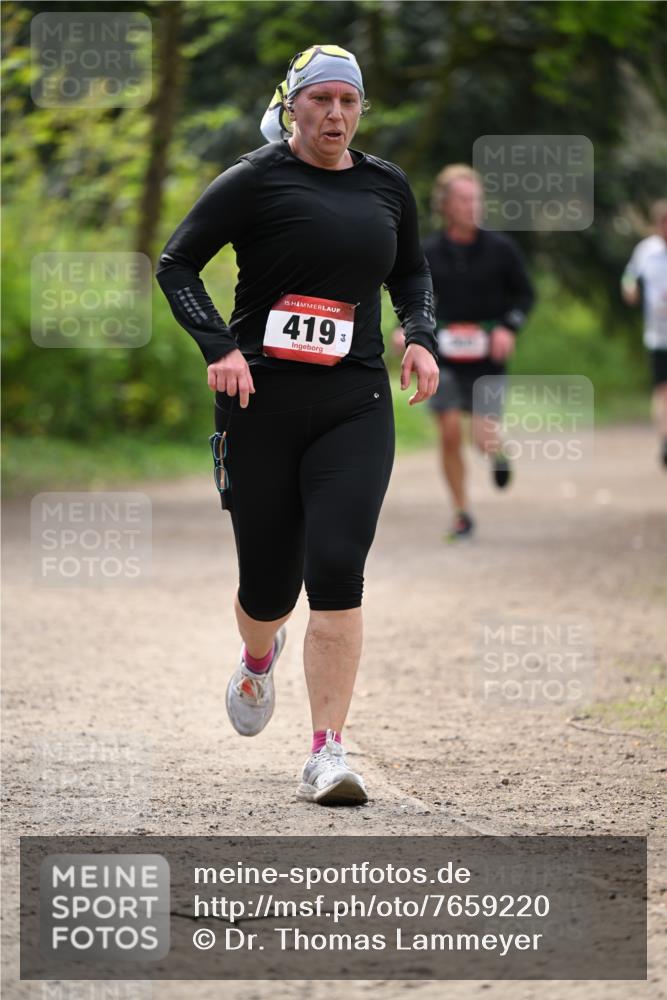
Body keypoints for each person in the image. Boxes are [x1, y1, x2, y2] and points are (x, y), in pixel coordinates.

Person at [156, 44, 439, 806]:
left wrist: (417, 333)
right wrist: (220, 347)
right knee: (268, 585)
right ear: (293, 105)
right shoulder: (254, 179)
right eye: (321, 101)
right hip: (260, 406)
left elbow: (410, 272)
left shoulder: (386, 186)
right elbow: (175, 263)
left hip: (355, 404)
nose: (336, 115)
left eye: (349, 102)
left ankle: (327, 752)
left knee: (337, 568)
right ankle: (257, 658)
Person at [395, 164, 534, 540]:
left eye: (476, 199)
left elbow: (525, 294)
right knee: (450, 431)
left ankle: (498, 452)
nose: (472, 206)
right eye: (464, 199)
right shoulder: (429, 252)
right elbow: (412, 298)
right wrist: (404, 332)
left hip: (488, 356)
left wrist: (509, 326)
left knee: (482, 436)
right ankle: (461, 511)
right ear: (445, 205)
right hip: (444, 356)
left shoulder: (502, 249)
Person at [621, 199, 667, 466]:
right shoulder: (646, 251)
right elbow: (629, 275)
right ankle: (664, 439)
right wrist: (630, 288)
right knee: (662, 391)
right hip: (658, 335)